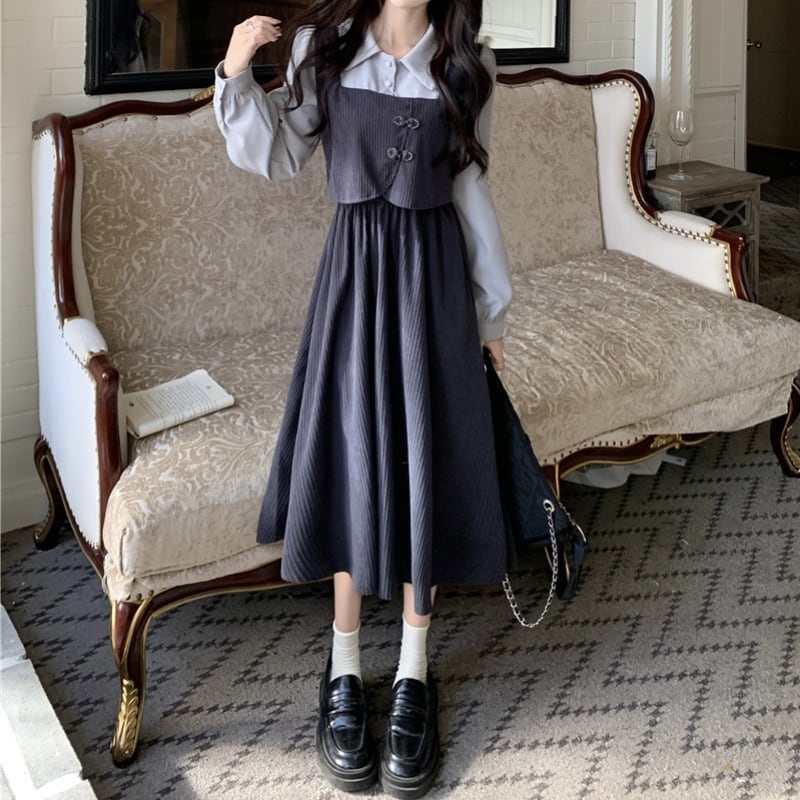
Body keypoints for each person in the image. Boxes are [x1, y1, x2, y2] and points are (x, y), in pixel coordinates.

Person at [214, 1, 512, 795]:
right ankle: (343, 664)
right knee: (351, 466)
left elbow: (472, 189)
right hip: (352, 286)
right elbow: (278, 153)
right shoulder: (326, 47)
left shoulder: (467, 62)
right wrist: (235, 72)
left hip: (435, 290)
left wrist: (491, 314)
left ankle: (414, 669)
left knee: (426, 465)